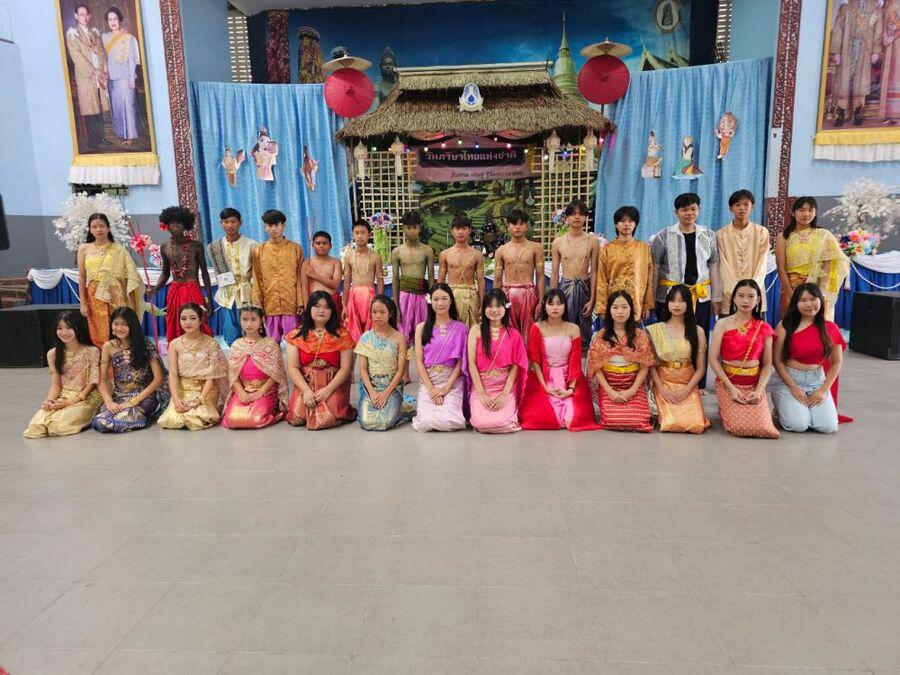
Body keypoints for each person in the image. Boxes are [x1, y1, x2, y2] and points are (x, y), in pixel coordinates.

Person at [652, 193, 721, 385]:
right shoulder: (663, 236)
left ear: (699, 210)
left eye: (693, 209)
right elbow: (655, 267)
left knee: (699, 338)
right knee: (669, 339)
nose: (689, 213)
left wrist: (716, 297)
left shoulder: (709, 235)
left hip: (701, 296)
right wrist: (652, 297)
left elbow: (714, 266)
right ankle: (667, 378)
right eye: (684, 210)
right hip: (670, 297)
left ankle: (699, 383)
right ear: (676, 212)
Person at [708, 279, 780, 438]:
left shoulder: (764, 328)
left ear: (758, 300)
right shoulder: (722, 324)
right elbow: (712, 359)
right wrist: (731, 388)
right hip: (728, 383)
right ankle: (724, 406)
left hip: (754, 385)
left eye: (750, 296)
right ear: (734, 298)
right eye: (741, 296)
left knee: (764, 429)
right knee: (739, 427)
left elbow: (768, 364)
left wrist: (759, 391)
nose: (745, 301)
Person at [520, 289, 601, 431]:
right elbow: (535, 361)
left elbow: (575, 361)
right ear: (544, 305)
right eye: (551, 304)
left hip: (569, 377)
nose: (555, 307)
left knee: (572, 418)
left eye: (559, 303)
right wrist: (545, 387)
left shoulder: (574, 329)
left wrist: (570, 389)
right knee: (546, 418)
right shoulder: (537, 327)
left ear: (565, 306)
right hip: (544, 377)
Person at [769, 284, 844, 433]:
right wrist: (793, 387)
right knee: (799, 425)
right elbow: (776, 361)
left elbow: (836, 362)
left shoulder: (831, 327)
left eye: (813, 299)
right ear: (795, 303)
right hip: (788, 381)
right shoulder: (785, 326)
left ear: (820, 300)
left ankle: (803, 410)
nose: (809, 304)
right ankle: (780, 409)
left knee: (828, 427)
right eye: (803, 300)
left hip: (817, 382)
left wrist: (823, 390)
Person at [24, 311, 102, 438]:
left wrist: (72, 402)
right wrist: (49, 401)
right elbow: (56, 385)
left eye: (69, 327)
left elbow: (93, 382)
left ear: (78, 328)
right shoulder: (52, 354)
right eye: (59, 328)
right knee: (35, 427)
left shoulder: (92, 351)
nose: (64, 332)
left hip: (87, 397)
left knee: (57, 427)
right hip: (63, 396)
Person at [285, 291, 356, 429]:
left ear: (332, 311)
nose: (321, 310)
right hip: (307, 382)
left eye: (326, 307)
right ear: (309, 308)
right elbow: (293, 367)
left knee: (331, 416)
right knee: (296, 417)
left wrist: (328, 390)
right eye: (317, 306)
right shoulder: (296, 335)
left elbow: (345, 368)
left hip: (333, 382)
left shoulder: (342, 335)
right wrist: (306, 391)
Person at [587, 291, 656, 432]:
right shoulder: (601, 336)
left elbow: (644, 367)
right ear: (609, 310)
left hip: (633, 386)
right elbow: (596, 368)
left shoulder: (640, 336)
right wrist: (610, 392)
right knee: (612, 420)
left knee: (639, 420)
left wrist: (632, 390)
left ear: (631, 309)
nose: (620, 312)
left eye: (624, 307)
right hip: (609, 387)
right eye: (615, 307)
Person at [647, 285, 711, 434]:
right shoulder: (655, 330)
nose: (676, 305)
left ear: (689, 303)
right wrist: (661, 388)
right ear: (667, 303)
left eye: (681, 301)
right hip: (663, 382)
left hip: (687, 383)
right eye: (673, 300)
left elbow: (701, 368)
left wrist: (687, 390)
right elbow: (651, 365)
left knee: (695, 425)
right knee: (670, 422)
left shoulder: (697, 331)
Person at [92, 306, 166, 433]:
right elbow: (102, 378)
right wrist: (109, 401)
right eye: (116, 324)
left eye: (124, 324)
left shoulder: (145, 345)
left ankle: (148, 414)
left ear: (133, 326)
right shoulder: (109, 346)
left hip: (145, 397)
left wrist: (133, 401)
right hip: (120, 396)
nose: (119, 328)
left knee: (118, 421)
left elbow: (158, 379)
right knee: (100, 422)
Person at [775, 197, 849, 322]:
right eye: (801, 210)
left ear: (815, 213)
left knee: (816, 327)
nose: (806, 214)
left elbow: (828, 266)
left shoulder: (824, 235)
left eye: (810, 210)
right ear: (793, 213)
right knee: (792, 326)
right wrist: (791, 294)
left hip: (816, 290)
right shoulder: (783, 237)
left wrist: (819, 294)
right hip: (790, 288)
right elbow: (781, 268)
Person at [77, 212, 144, 347]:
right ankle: (104, 357)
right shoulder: (84, 249)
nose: (98, 229)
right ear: (90, 230)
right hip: (95, 295)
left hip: (116, 294)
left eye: (102, 226)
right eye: (94, 227)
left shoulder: (119, 249)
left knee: (119, 325)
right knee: (99, 329)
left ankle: (123, 355)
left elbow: (130, 275)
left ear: (108, 228)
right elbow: (82, 277)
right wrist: (83, 302)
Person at [148, 206, 214, 344]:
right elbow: (165, 273)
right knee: (175, 323)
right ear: (167, 226)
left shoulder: (196, 246)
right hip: (174, 291)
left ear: (185, 225)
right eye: (172, 223)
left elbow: (205, 273)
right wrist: (155, 289)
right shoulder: (165, 247)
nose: (176, 226)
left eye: (179, 223)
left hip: (193, 290)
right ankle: (178, 352)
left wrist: (210, 300)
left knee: (197, 322)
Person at [157, 303, 228, 431]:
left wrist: (200, 399)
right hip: (183, 389)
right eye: (183, 318)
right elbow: (173, 374)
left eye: (193, 318)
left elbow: (212, 376)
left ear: (200, 320)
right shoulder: (174, 344)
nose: (187, 322)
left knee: (196, 418)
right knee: (172, 420)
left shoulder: (211, 343)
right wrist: (176, 399)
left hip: (206, 390)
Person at [467, 289, 528, 433]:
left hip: (504, 387)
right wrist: (481, 393)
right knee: (481, 423)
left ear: (505, 307)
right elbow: (471, 364)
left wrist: (505, 394)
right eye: (490, 306)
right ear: (484, 309)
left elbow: (515, 367)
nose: (494, 310)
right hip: (482, 386)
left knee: (504, 422)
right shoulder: (475, 330)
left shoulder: (514, 334)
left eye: (498, 306)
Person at [411, 284, 469, 432]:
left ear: (451, 301)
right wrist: (431, 389)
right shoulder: (421, 328)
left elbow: (460, 363)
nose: (440, 303)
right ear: (430, 301)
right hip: (429, 380)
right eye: (436, 299)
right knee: (424, 423)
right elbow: (419, 361)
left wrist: (445, 388)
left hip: (452, 381)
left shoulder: (461, 328)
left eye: (444, 298)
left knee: (451, 421)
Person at [221, 305, 287, 429]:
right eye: (245, 319)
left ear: (261, 320)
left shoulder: (270, 344)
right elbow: (233, 374)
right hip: (243, 390)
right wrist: (241, 392)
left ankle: (274, 412)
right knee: (232, 420)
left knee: (256, 419)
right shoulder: (237, 345)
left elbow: (277, 374)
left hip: (266, 391)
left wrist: (261, 392)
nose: (249, 324)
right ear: (240, 321)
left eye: (253, 319)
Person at [355, 295, 411, 431]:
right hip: (371, 387)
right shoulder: (365, 337)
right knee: (366, 422)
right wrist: (372, 392)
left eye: (382, 312)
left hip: (392, 387)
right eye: (374, 312)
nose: (378, 316)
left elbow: (401, 371)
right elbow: (363, 370)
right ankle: (396, 409)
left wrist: (386, 393)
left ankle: (403, 412)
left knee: (386, 422)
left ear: (390, 313)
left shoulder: (399, 338)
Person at [251, 209, 306, 343]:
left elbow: (300, 277)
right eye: (270, 225)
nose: (273, 229)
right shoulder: (258, 250)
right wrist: (257, 303)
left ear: (283, 226)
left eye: (277, 225)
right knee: (272, 342)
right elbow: (257, 278)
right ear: (265, 227)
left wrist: (300, 301)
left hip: (291, 303)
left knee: (294, 341)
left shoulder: (295, 248)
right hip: (270, 304)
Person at [551, 199, 599, 346]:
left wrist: (593, 299)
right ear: (567, 217)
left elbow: (595, 271)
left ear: (586, 217)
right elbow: (554, 272)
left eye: (581, 214)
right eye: (573, 214)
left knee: (584, 330)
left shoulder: (592, 240)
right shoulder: (558, 242)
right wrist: (552, 298)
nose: (577, 217)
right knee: (564, 329)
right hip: (565, 288)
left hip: (585, 287)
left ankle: (583, 355)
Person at [494, 208, 544, 345]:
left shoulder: (536, 248)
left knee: (529, 332)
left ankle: (527, 358)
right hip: (507, 294)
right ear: (508, 226)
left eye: (521, 223)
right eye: (514, 223)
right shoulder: (501, 251)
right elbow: (498, 279)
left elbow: (540, 275)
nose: (517, 227)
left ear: (526, 226)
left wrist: (541, 300)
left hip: (528, 294)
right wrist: (495, 301)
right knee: (508, 331)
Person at [207, 208, 257, 345]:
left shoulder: (252, 245)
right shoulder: (215, 247)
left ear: (240, 223)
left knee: (250, 332)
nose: (229, 225)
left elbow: (257, 273)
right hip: (226, 296)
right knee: (230, 335)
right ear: (221, 223)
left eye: (233, 222)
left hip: (247, 295)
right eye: (226, 222)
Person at [595, 205, 654, 322]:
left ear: (635, 224)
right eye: (622, 221)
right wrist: (602, 309)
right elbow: (601, 280)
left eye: (630, 221)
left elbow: (649, 278)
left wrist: (647, 305)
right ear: (616, 224)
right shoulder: (607, 249)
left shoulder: (643, 248)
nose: (626, 224)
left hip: (637, 303)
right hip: (614, 303)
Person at [717, 190, 770, 316]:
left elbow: (762, 263)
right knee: (729, 326)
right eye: (737, 205)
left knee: (756, 327)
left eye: (746, 204)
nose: (742, 208)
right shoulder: (721, 234)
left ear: (753, 206)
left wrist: (752, 290)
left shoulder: (762, 232)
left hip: (755, 294)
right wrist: (735, 292)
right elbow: (723, 266)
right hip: (729, 295)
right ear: (731, 208)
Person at [829, 0, 883, 127]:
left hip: (865, 51)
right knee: (844, 82)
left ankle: (857, 112)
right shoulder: (846, 7)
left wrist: (875, 51)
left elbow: (878, 32)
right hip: (846, 49)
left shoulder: (876, 9)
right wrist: (836, 51)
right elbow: (838, 29)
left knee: (860, 83)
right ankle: (841, 112)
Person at [65, 4, 110, 150]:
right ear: (76, 16)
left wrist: (104, 69)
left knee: (99, 106)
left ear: (89, 16)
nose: (84, 17)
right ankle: (93, 141)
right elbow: (77, 57)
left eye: (86, 14)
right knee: (90, 107)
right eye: (81, 14)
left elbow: (102, 52)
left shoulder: (94, 33)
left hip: (99, 75)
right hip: (86, 76)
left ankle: (102, 137)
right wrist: (94, 71)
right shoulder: (73, 35)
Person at [391, 211, 435, 345]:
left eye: (415, 227)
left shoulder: (427, 250)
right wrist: (396, 306)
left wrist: (431, 302)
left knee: (423, 334)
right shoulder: (397, 252)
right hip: (404, 297)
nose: (412, 231)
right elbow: (395, 280)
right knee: (404, 335)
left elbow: (431, 278)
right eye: (408, 227)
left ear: (419, 228)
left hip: (422, 297)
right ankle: (404, 359)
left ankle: (422, 358)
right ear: (403, 228)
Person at [438, 213, 485, 328]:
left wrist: (482, 304)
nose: (460, 232)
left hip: (471, 297)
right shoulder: (445, 254)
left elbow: (481, 281)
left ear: (469, 231)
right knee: (450, 330)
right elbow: (441, 280)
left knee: (471, 331)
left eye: (464, 228)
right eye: (457, 229)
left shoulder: (477, 255)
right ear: (452, 231)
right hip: (451, 296)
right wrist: (439, 300)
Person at [102, 7, 140, 145]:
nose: (112, 22)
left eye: (115, 19)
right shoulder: (104, 37)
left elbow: (131, 60)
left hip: (125, 77)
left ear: (120, 20)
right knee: (117, 107)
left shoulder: (128, 38)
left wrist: (132, 79)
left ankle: (130, 137)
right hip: (112, 77)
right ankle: (122, 134)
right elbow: (103, 57)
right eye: (110, 19)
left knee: (128, 107)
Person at [343, 219, 384, 342]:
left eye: (363, 233)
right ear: (353, 235)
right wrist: (344, 305)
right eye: (357, 233)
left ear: (369, 235)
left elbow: (380, 281)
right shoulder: (348, 256)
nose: (360, 236)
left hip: (370, 297)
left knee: (371, 330)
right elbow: (346, 282)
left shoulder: (376, 256)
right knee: (353, 332)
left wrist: (380, 302)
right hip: (354, 297)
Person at [303, 230, 343, 318]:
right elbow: (304, 288)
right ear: (313, 245)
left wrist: (315, 275)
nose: (321, 246)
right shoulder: (307, 263)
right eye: (318, 243)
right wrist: (307, 309)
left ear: (330, 245)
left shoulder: (336, 262)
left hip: (332, 301)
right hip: (314, 302)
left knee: (334, 326)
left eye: (325, 243)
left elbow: (335, 285)